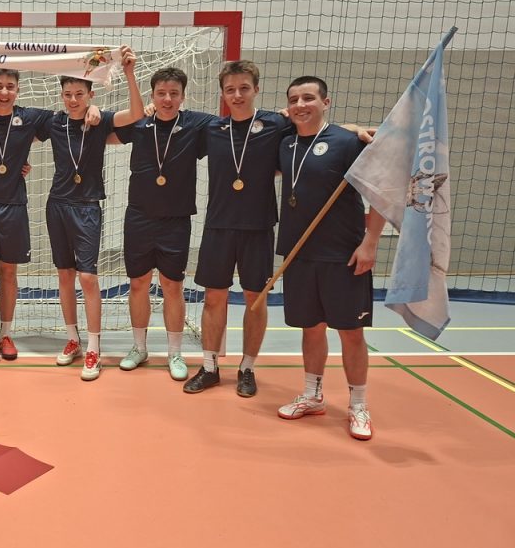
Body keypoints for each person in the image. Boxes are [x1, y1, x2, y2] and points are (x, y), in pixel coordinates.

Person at [274, 76, 385, 440]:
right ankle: (312, 395)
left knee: (351, 332)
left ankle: (359, 405)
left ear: (326, 102)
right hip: (299, 253)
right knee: (311, 328)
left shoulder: (348, 142)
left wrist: (370, 242)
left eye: (309, 98)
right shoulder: (285, 143)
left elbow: (380, 192)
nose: (300, 104)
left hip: (343, 254)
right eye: (294, 99)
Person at [183, 60, 295, 397]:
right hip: (218, 225)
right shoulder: (212, 128)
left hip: (258, 227)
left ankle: (247, 368)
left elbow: (317, 128)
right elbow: (170, 116)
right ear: (222, 94)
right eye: (230, 89)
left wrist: (354, 129)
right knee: (213, 297)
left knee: (254, 299)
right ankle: (209, 367)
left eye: (244, 88)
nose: (237, 95)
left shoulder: (276, 124)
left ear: (256, 89)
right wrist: (148, 107)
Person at [109, 66, 216, 382]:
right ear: (152, 95)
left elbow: (238, 125)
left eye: (174, 93)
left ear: (183, 96)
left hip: (175, 221)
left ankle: (174, 352)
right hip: (139, 218)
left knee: (172, 285)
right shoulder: (139, 122)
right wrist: (92, 113)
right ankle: (139, 348)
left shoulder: (197, 124)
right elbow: (104, 131)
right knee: (138, 283)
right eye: (161, 93)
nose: (167, 99)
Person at [48, 46, 144, 381]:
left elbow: (136, 113)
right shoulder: (54, 122)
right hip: (57, 205)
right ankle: (73, 339)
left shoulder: (101, 120)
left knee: (87, 277)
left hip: (87, 207)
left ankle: (93, 347)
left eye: (79, 94)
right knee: (64, 275)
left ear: (91, 94)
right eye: (68, 94)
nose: (73, 100)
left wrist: (129, 72)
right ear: (61, 96)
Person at [0, 69, 59, 369]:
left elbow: (71, 114)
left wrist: (93, 109)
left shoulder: (30, 117)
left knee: (8, 273)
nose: (4, 92)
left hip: (13, 206)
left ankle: (6, 334)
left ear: (18, 89)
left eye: (10, 87)